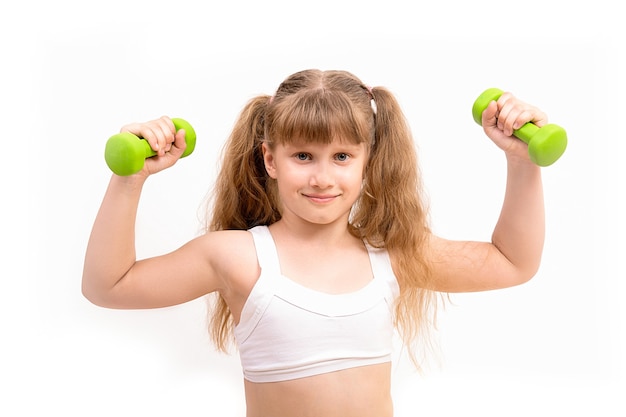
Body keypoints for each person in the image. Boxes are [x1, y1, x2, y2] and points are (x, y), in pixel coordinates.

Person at [82, 69, 546, 417]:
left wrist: (524, 164)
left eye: (342, 156)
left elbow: (511, 263)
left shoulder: (393, 258)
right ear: (270, 158)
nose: (322, 177)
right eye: (303, 155)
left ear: (368, 161)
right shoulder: (239, 257)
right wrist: (130, 180)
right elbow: (109, 286)